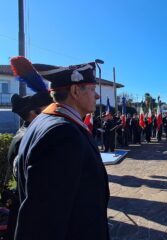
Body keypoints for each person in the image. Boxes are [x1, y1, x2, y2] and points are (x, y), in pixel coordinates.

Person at [15, 61, 110, 240]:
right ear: (75, 91)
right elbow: (43, 223)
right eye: (91, 89)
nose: (96, 95)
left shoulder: (44, 122)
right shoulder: (63, 134)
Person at [5, 56, 54, 240]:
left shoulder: (28, 132)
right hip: (29, 215)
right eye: (47, 110)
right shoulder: (27, 138)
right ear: (34, 113)